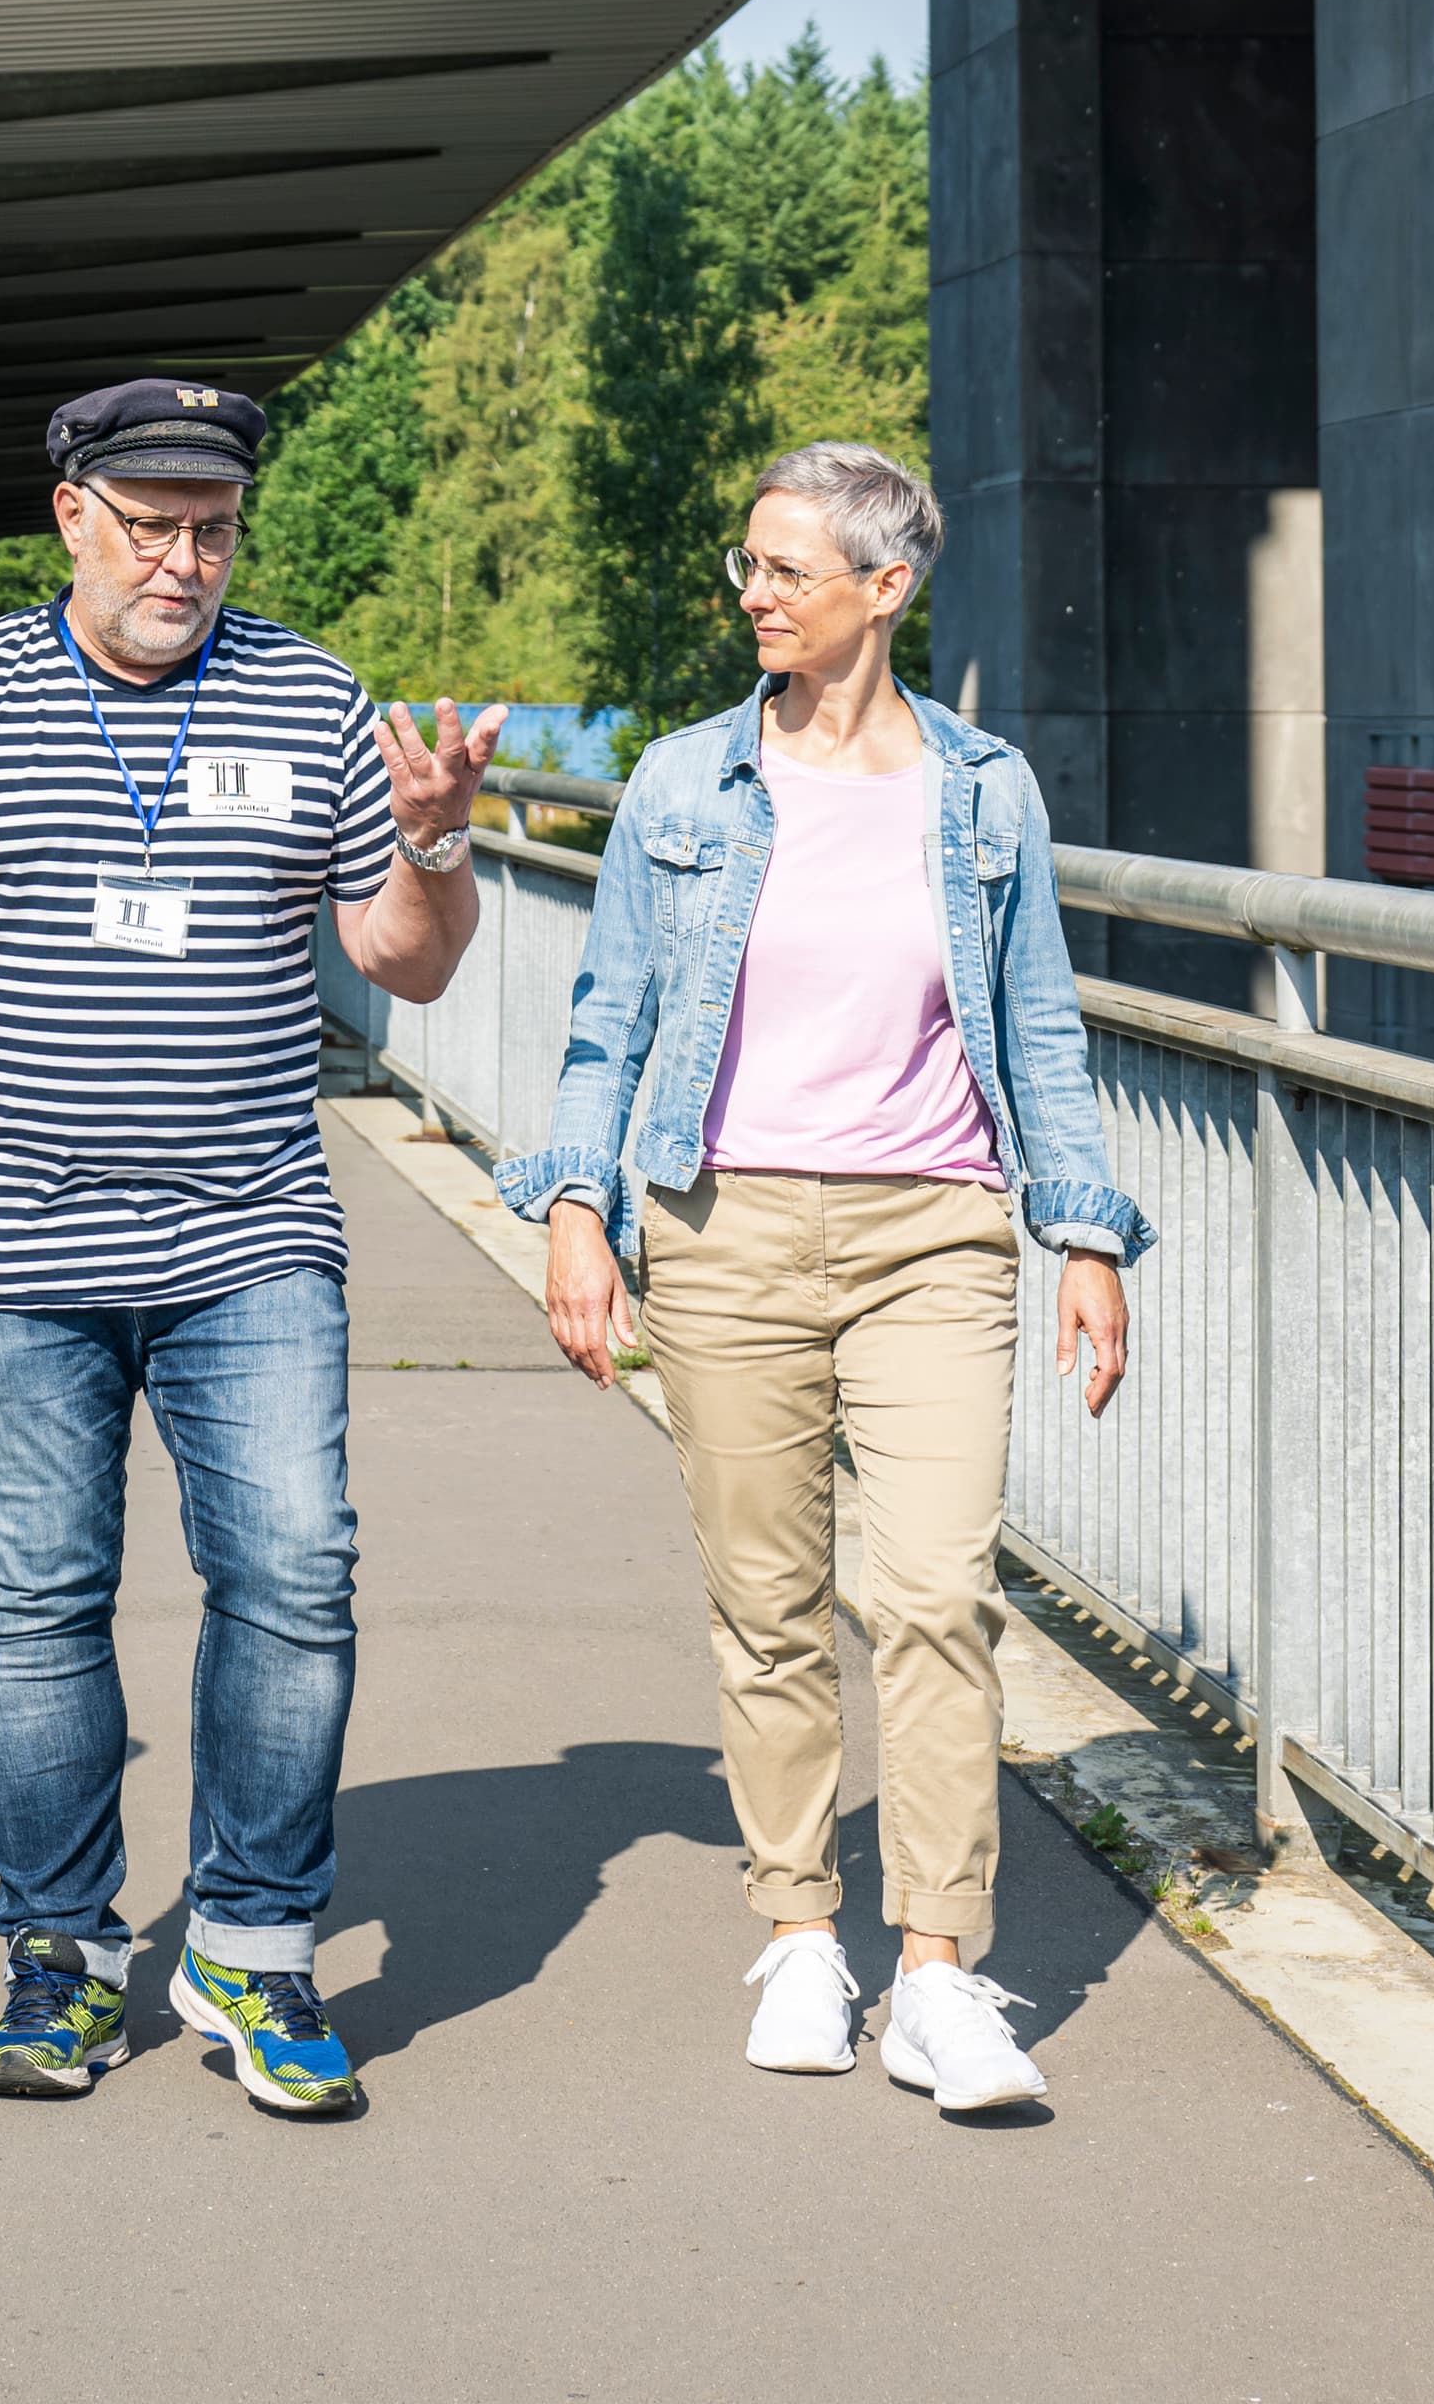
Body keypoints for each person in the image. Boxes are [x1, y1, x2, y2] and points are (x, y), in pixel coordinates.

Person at [0, 372, 503, 2119]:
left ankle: (252, 1947)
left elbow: (406, 966)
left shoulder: (310, 695)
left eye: (215, 527)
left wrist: (434, 844)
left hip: (251, 1234)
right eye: (153, 525)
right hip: (7, 1240)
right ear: (70, 519)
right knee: (36, 1600)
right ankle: (60, 1950)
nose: (186, 560)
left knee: (296, 1572)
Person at [498, 439, 1144, 2120]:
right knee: (769, 1607)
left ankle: (939, 1970)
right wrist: (578, 1206)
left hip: (936, 1232)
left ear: (887, 587)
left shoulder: (984, 792)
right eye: (747, 564)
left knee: (932, 1595)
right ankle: (799, 1928)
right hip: (724, 1232)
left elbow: (1042, 1026)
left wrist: (1082, 1230)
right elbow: (611, 1019)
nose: (755, 593)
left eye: (788, 568)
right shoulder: (680, 784)